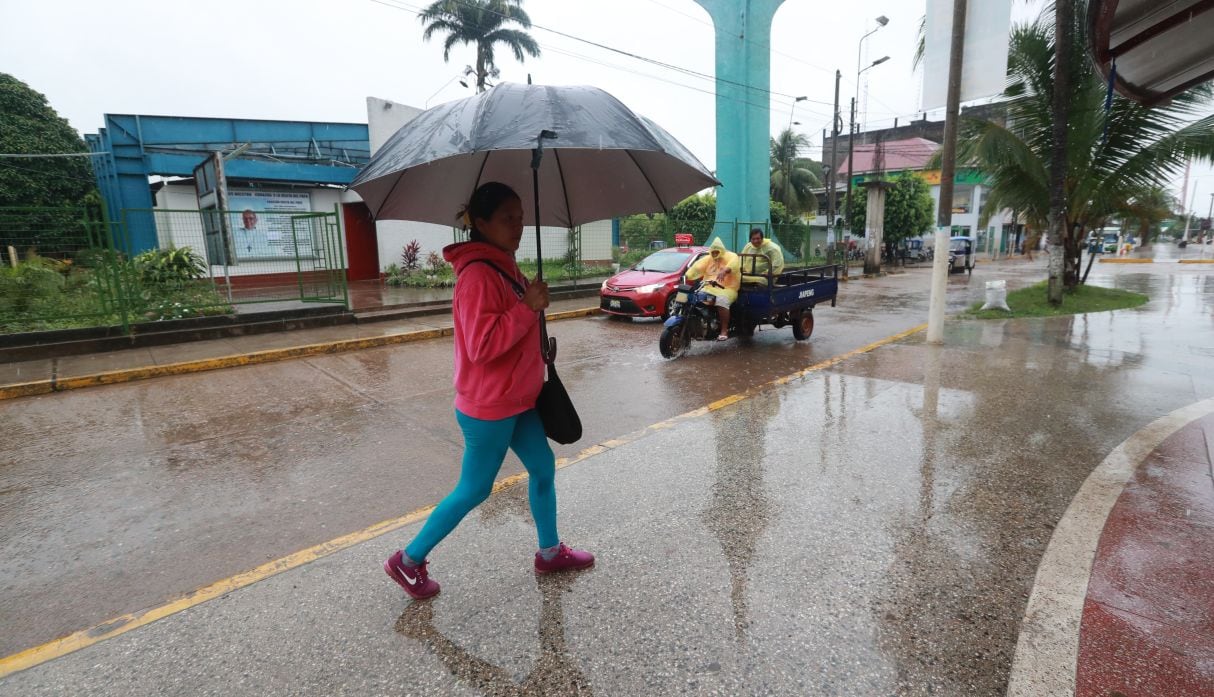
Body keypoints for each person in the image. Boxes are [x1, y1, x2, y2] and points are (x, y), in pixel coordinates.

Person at [384, 182, 594, 601]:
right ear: (480, 223)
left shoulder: (504, 266)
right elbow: (482, 347)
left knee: (543, 468)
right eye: (506, 218)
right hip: (491, 406)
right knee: (475, 488)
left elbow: (513, 324)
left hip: (518, 400)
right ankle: (407, 560)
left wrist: (533, 317)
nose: (518, 226)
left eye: (521, 217)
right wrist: (526, 308)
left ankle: (549, 552)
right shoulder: (478, 275)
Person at [684, 237, 740, 341]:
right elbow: (697, 266)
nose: (714, 254)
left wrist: (725, 270)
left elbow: (734, 264)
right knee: (690, 297)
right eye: (713, 252)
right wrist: (687, 275)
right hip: (708, 287)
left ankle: (724, 330)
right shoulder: (708, 259)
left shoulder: (731, 256)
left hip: (727, 289)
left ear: (721, 250)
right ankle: (695, 324)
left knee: (721, 300)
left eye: (716, 251)